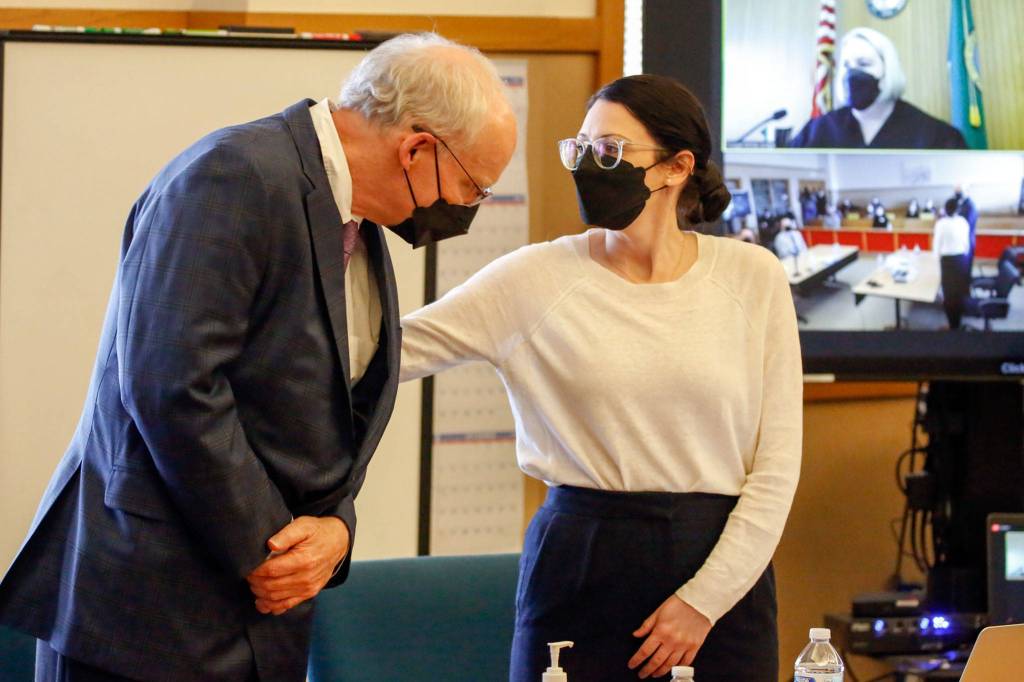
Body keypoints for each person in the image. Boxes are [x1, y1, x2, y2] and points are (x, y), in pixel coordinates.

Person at [0, 33, 516, 681]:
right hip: (149, 610)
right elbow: (173, 387)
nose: (464, 209)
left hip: (261, 610)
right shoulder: (233, 175)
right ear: (415, 149)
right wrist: (273, 549)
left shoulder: (355, 218)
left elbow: (329, 412)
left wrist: (336, 529)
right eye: (472, 187)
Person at [401, 74, 802, 682]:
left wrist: (703, 602)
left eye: (611, 151)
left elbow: (776, 467)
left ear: (676, 167)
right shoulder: (534, 278)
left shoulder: (753, 276)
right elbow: (389, 352)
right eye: (581, 149)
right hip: (582, 559)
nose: (590, 166)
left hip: (722, 574)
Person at [790, 28, 966, 149]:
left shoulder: (934, 134)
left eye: (864, 63)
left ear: (888, 69)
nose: (852, 73)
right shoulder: (817, 131)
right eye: (846, 65)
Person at [934, 197, 972, 329]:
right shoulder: (963, 222)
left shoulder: (941, 223)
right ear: (958, 209)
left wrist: (936, 260)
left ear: (945, 210)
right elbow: (967, 245)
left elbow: (937, 245)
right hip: (962, 260)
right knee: (959, 292)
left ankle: (952, 325)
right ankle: (957, 322)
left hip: (947, 261)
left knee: (949, 294)